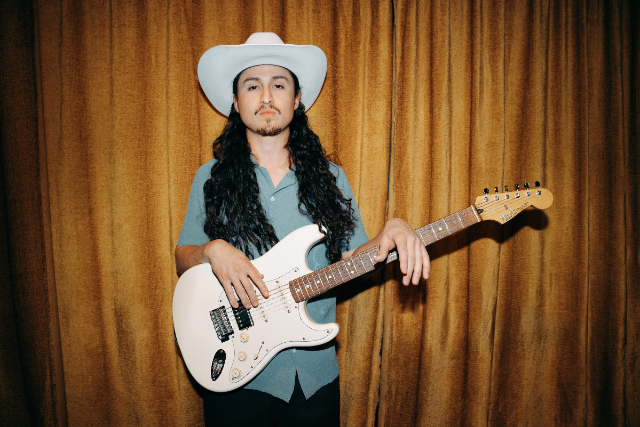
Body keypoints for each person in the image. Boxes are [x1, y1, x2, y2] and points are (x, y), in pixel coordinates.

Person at [175, 32, 430, 426]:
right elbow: (183, 257)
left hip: (313, 378)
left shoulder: (331, 177)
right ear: (235, 101)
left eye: (279, 85)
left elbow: (353, 259)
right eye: (252, 85)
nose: (266, 96)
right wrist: (211, 250)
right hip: (237, 378)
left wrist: (390, 232)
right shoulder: (210, 177)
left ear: (296, 99)